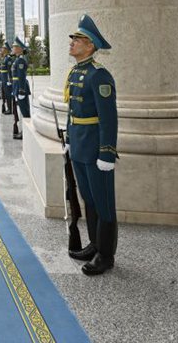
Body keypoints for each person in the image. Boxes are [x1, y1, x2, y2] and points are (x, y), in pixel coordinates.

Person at [64, 14, 118, 276]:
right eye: (73, 39)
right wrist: (68, 140)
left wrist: (107, 152)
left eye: (78, 39)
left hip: (96, 149)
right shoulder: (75, 72)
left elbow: (109, 119)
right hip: (79, 146)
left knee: (104, 202)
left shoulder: (100, 76)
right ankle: (95, 245)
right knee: (89, 199)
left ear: (91, 45)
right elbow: (72, 109)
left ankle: (106, 256)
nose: (72, 42)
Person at [1, 41, 14, 114]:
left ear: (6, 49)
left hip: (7, 80)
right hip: (3, 79)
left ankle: (10, 109)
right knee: (5, 94)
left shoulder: (8, 59)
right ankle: (6, 108)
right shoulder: (4, 58)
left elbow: (9, 70)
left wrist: (10, 80)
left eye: (3, 48)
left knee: (8, 94)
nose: (2, 49)